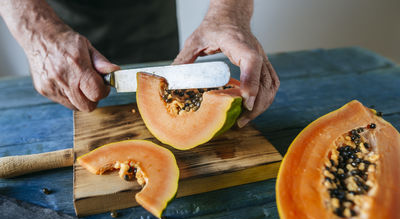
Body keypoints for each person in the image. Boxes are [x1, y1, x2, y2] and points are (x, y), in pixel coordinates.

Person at [0, 0, 279, 128]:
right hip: (61, 19)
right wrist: (36, 30)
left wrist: (228, 14)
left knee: (171, 82)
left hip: (149, 17)